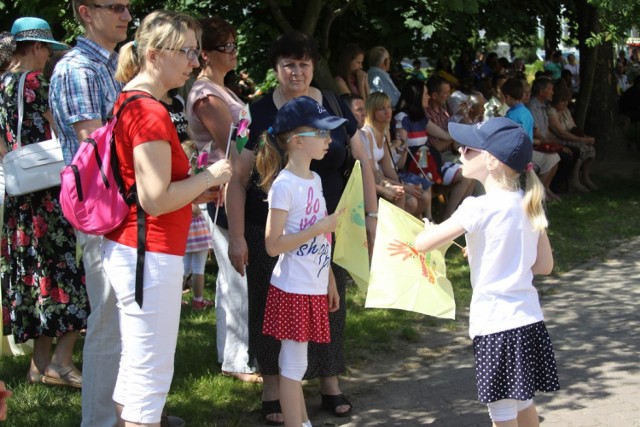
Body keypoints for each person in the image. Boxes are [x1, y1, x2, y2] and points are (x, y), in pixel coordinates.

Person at [226, 31, 377, 425]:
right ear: (276, 69)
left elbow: (364, 164)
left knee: (327, 303)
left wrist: (371, 218)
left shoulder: (334, 105)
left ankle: (330, 381)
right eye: (288, 64)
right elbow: (236, 177)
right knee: (270, 307)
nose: (297, 71)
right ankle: (274, 387)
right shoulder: (250, 114)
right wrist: (238, 236)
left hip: (328, 228)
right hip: (269, 227)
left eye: (304, 63)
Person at [102, 11, 231, 426]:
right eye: (188, 52)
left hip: (138, 249)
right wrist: (211, 176)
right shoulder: (149, 111)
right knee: (149, 378)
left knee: (136, 369)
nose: (195, 62)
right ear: (154, 55)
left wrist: (196, 186)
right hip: (149, 253)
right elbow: (155, 199)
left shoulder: (132, 99)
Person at [415, 117, 559, 427]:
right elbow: (544, 266)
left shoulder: (475, 207)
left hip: (495, 325)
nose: (460, 152)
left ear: (491, 161)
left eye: (467, 149)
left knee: (502, 415)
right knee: (524, 403)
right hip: (528, 321)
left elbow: (423, 243)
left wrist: (428, 228)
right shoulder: (529, 203)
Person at [48, 2, 137, 425]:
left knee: (125, 319)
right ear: (86, 11)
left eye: (129, 6)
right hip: (103, 212)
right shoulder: (78, 68)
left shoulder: (115, 65)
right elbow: (98, 148)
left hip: (123, 207)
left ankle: (127, 413)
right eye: (115, 6)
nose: (126, 14)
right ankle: (101, 420)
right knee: (109, 320)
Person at [0, 17, 88, 389]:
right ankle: (62, 363)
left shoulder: (1, 85)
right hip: (49, 196)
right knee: (68, 276)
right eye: (46, 51)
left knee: (37, 278)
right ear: (35, 47)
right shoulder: (38, 84)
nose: (48, 58)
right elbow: (65, 131)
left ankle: (39, 367)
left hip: (19, 196)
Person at [254, 95, 343, 427]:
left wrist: (330, 280)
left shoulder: (315, 180)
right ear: (296, 140)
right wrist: (320, 227)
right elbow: (273, 244)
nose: (328, 140)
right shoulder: (284, 186)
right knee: (292, 367)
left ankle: (302, 421)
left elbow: (322, 239)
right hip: (292, 288)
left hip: (312, 286)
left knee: (298, 364)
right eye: (321, 133)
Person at [185, 15, 260, 383]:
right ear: (204, 54)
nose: (232, 52)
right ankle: (235, 360)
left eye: (234, 45)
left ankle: (234, 353)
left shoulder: (223, 89)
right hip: (221, 192)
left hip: (235, 188)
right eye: (224, 47)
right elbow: (231, 143)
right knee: (237, 274)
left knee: (235, 274)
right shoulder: (205, 94)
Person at [362, 92, 430, 217]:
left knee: (424, 196)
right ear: (372, 112)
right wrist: (404, 187)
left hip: (382, 178)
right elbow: (373, 173)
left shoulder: (384, 132)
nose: (387, 111)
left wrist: (403, 185)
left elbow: (388, 167)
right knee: (411, 201)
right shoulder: (367, 133)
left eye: (388, 107)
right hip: (374, 182)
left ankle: (410, 229)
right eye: (382, 109)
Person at [503, 77, 561, 203]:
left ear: (507, 97)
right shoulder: (525, 111)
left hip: (517, 155)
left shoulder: (511, 115)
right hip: (527, 152)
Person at [547, 82, 597, 191]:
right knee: (581, 149)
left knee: (591, 149)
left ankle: (585, 177)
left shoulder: (566, 111)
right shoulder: (551, 111)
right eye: (562, 101)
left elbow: (573, 127)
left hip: (570, 137)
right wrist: (582, 140)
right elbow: (561, 133)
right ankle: (573, 179)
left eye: (566, 100)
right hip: (559, 139)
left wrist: (583, 136)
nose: (565, 103)